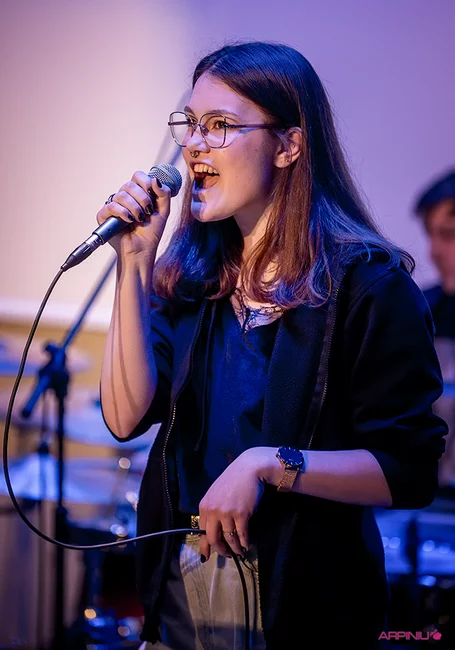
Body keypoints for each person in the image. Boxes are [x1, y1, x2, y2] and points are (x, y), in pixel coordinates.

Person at [97, 41, 447, 650]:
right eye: (191, 124)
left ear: (289, 145)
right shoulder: (191, 279)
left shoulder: (370, 287)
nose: (195, 144)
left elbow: (408, 471)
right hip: (181, 592)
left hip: (305, 600)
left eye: (220, 125)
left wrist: (269, 464)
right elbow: (125, 416)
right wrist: (133, 262)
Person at [414, 170, 455, 488]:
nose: (433, 252)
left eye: (449, 235)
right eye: (432, 235)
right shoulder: (420, 310)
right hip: (429, 499)